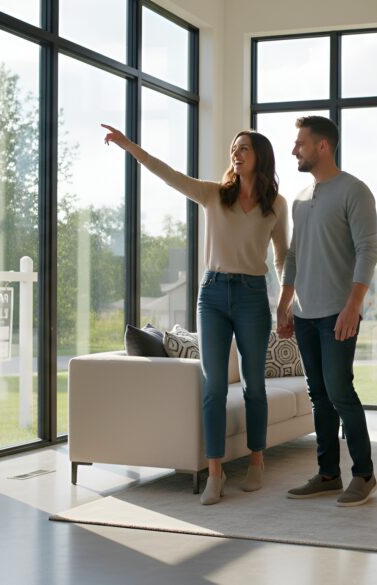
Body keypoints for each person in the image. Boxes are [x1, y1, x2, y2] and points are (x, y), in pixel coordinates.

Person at [102, 123, 287, 505]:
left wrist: (286, 302)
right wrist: (128, 145)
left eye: (244, 149)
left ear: (260, 157)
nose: (236, 154)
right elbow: (168, 174)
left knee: (254, 383)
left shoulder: (276, 205)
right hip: (213, 294)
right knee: (214, 386)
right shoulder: (215, 195)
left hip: (254, 296)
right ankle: (215, 473)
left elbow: (284, 257)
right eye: (233, 148)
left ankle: (256, 460)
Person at [277, 116, 377, 507]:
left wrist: (353, 307)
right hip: (304, 314)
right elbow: (293, 254)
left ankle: (364, 474)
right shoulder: (302, 197)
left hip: (339, 313)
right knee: (319, 396)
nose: (293, 150)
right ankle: (327, 474)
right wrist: (285, 302)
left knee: (340, 392)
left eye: (300, 143)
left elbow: (368, 251)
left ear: (323, 146)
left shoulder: (355, 191)